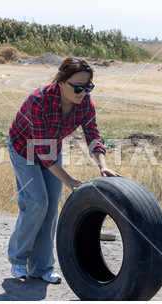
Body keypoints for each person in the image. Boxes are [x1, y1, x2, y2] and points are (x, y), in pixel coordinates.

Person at [7, 57, 122, 284]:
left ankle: (42, 267)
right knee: (37, 203)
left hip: (50, 149)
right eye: (77, 87)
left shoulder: (85, 104)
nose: (83, 92)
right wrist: (69, 180)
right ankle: (18, 260)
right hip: (24, 148)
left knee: (50, 211)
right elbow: (41, 151)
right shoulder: (39, 99)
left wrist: (104, 166)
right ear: (61, 82)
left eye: (88, 87)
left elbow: (93, 137)